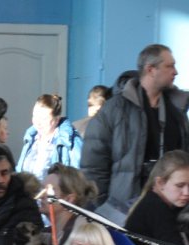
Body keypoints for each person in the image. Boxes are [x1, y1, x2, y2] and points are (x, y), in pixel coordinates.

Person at [81, 44, 189, 222]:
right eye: (169, 66)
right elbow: (93, 165)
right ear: (150, 69)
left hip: (171, 213)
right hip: (123, 212)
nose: (175, 72)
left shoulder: (177, 112)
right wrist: (104, 207)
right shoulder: (115, 109)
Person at [11, 162, 99, 245]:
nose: (41, 195)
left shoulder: (80, 236)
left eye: (48, 190)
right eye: (41, 189)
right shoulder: (51, 234)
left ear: (68, 199)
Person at [17, 94, 83, 181]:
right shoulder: (30, 138)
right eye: (35, 116)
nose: (38, 122)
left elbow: (79, 178)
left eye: (44, 119)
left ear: (56, 119)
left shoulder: (70, 142)